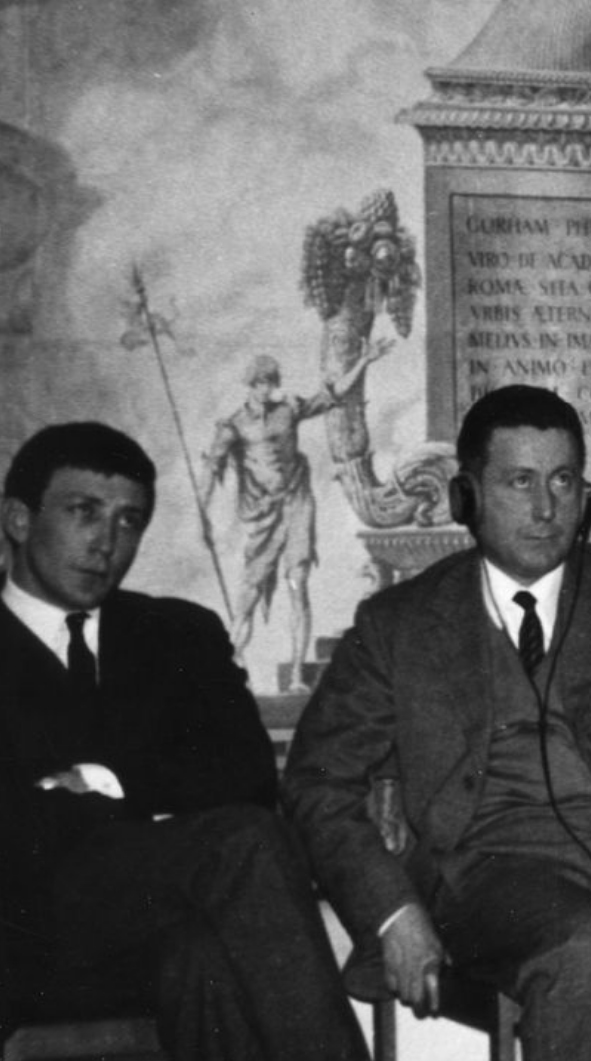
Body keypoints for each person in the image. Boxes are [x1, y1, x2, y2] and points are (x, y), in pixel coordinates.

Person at [283, 386, 591, 1061]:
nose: (546, 508)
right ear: (467, 496)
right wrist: (394, 914)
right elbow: (317, 781)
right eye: (519, 481)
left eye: (562, 481)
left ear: (586, 495)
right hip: (483, 878)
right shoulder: (397, 624)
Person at [0, 421, 367, 1059]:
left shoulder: (176, 634)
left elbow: (246, 779)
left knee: (209, 951)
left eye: (128, 521)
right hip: (23, 939)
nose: (106, 543)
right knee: (238, 852)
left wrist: (100, 780)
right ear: (18, 520)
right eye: (84, 512)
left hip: (157, 929)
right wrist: (154, 797)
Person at [200, 343, 387, 674]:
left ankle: (298, 671)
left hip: (297, 503)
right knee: (249, 595)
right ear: (252, 384)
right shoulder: (235, 425)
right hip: (263, 513)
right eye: (263, 383)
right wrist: (202, 513)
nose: (269, 388)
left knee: (297, 583)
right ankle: (228, 663)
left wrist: (363, 361)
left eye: (272, 382)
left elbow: (330, 395)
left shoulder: (288, 409)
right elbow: (211, 469)